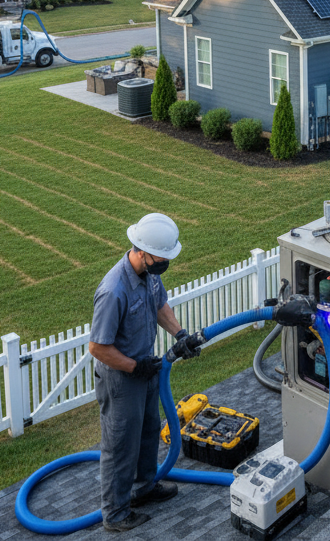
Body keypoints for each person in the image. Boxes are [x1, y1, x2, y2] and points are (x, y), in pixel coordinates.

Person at [89, 213, 202, 532]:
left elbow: (159, 305)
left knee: (150, 429)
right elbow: (97, 347)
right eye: (161, 257)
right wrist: (133, 367)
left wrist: (180, 334)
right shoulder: (113, 290)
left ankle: (143, 487)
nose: (165, 262)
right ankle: (115, 513)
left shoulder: (150, 274)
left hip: (146, 367)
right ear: (141, 250)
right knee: (121, 443)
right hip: (121, 377)